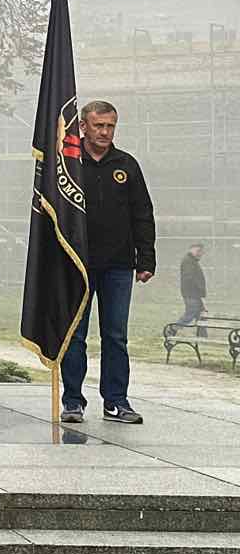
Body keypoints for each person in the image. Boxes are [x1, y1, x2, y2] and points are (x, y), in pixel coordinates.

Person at [59, 100, 155, 425]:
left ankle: (116, 402)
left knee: (115, 336)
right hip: (77, 265)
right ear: (83, 127)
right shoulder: (69, 165)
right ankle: (73, 402)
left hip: (118, 265)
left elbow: (143, 213)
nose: (104, 132)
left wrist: (146, 258)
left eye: (110, 126)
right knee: (75, 336)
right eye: (98, 125)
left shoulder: (127, 164)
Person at [176, 243, 207, 331]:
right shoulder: (188, 261)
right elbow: (189, 278)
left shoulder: (192, 261)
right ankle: (173, 329)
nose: (200, 254)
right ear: (191, 250)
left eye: (201, 252)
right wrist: (199, 289)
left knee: (201, 315)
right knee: (191, 313)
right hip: (191, 294)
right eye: (198, 251)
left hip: (195, 294)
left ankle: (202, 336)